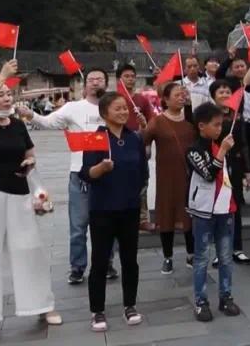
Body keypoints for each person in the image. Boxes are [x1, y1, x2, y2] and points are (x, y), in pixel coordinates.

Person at [0, 60, 60, 339]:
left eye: (8, 93)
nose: (5, 96)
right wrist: (3, 74)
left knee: (30, 248)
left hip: (18, 190)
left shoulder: (17, 124)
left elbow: (30, 152)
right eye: (0, 92)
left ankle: (42, 304)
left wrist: (29, 162)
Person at [20, 69, 113, 285]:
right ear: (84, 85)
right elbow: (48, 122)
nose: (95, 82)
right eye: (91, 79)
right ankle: (77, 267)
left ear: (106, 84)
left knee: (106, 223)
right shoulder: (73, 108)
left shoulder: (113, 107)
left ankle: (106, 262)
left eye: (100, 79)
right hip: (79, 175)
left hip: (107, 172)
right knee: (78, 225)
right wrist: (31, 114)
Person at [81, 92, 147, 332]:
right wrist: (101, 168)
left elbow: (142, 171)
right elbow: (86, 174)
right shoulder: (95, 138)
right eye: (117, 108)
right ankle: (97, 311)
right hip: (102, 210)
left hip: (129, 209)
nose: (123, 112)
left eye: (124, 108)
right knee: (100, 260)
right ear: (105, 113)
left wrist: (137, 193)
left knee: (130, 261)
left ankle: (130, 305)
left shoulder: (134, 138)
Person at [187, 102, 242, 322]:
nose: (220, 129)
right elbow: (208, 174)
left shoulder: (220, 145)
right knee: (202, 258)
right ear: (202, 126)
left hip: (225, 209)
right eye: (216, 125)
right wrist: (222, 152)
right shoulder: (194, 150)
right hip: (203, 211)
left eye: (221, 125)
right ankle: (201, 301)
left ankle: (226, 296)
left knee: (226, 258)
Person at [143, 82, 194, 274]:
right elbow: (144, 144)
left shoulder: (191, 120)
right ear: (165, 99)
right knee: (166, 215)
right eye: (177, 95)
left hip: (189, 176)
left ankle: (191, 254)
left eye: (183, 95)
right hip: (166, 177)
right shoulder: (157, 122)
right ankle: (168, 257)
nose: (181, 97)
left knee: (189, 214)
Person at [210, 79, 250, 265]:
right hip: (217, 165)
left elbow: (244, 144)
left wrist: (248, 171)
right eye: (220, 92)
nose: (225, 94)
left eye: (227, 91)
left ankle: (237, 248)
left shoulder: (238, 116)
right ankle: (219, 250)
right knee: (218, 208)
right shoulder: (210, 117)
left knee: (235, 207)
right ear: (214, 96)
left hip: (235, 166)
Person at [116, 65, 156, 232]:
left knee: (142, 182)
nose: (130, 79)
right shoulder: (114, 99)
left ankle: (143, 219)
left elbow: (152, 121)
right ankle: (121, 217)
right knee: (119, 182)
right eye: (126, 76)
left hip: (139, 144)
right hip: (119, 145)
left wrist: (146, 137)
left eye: (133, 76)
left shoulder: (141, 99)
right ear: (119, 79)